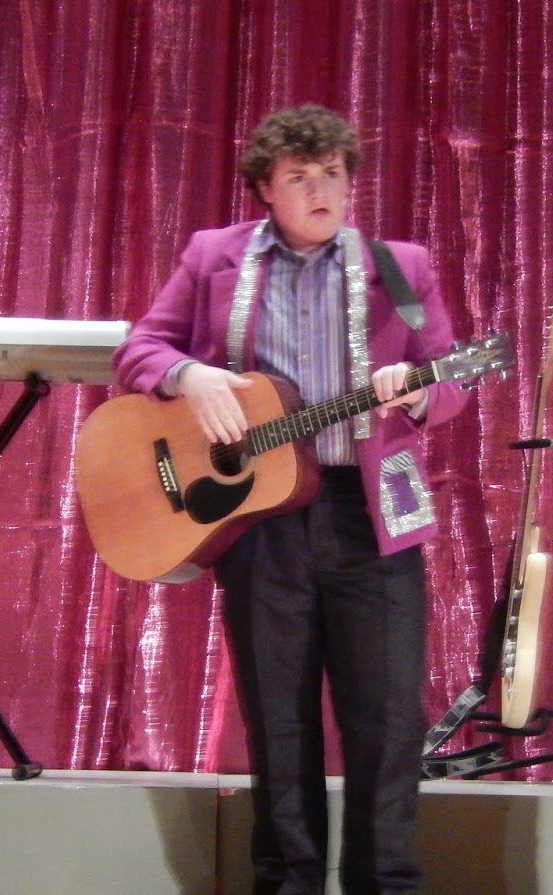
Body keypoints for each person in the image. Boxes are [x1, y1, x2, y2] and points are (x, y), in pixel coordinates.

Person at [113, 105, 468, 893]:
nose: (320, 191)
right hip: (261, 516)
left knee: (387, 719)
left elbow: (451, 380)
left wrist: (416, 391)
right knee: (278, 716)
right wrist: (189, 376)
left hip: (370, 515)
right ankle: (288, 882)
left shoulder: (401, 266)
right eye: (300, 178)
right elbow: (139, 348)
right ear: (266, 189)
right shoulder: (214, 256)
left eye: (333, 174)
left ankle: (387, 884)